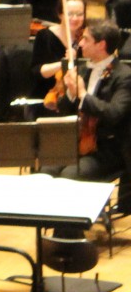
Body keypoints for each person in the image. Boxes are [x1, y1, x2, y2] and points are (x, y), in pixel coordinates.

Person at [50, 20, 131, 183]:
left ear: (101, 45)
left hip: (107, 148)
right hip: (77, 142)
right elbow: (65, 109)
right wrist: (71, 93)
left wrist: (82, 94)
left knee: (69, 176)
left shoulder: (124, 75)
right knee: (46, 170)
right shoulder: (84, 69)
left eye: (86, 39)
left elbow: (113, 113)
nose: (80, 43)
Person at [33, 0, 86, 109]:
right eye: (70, 14)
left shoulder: (87, 38)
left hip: (79, 96)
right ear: (60, 14)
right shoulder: (45, 36)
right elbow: (38, 71)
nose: (75, 18)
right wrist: (64, 63)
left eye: (80, 14)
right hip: (48, 96)